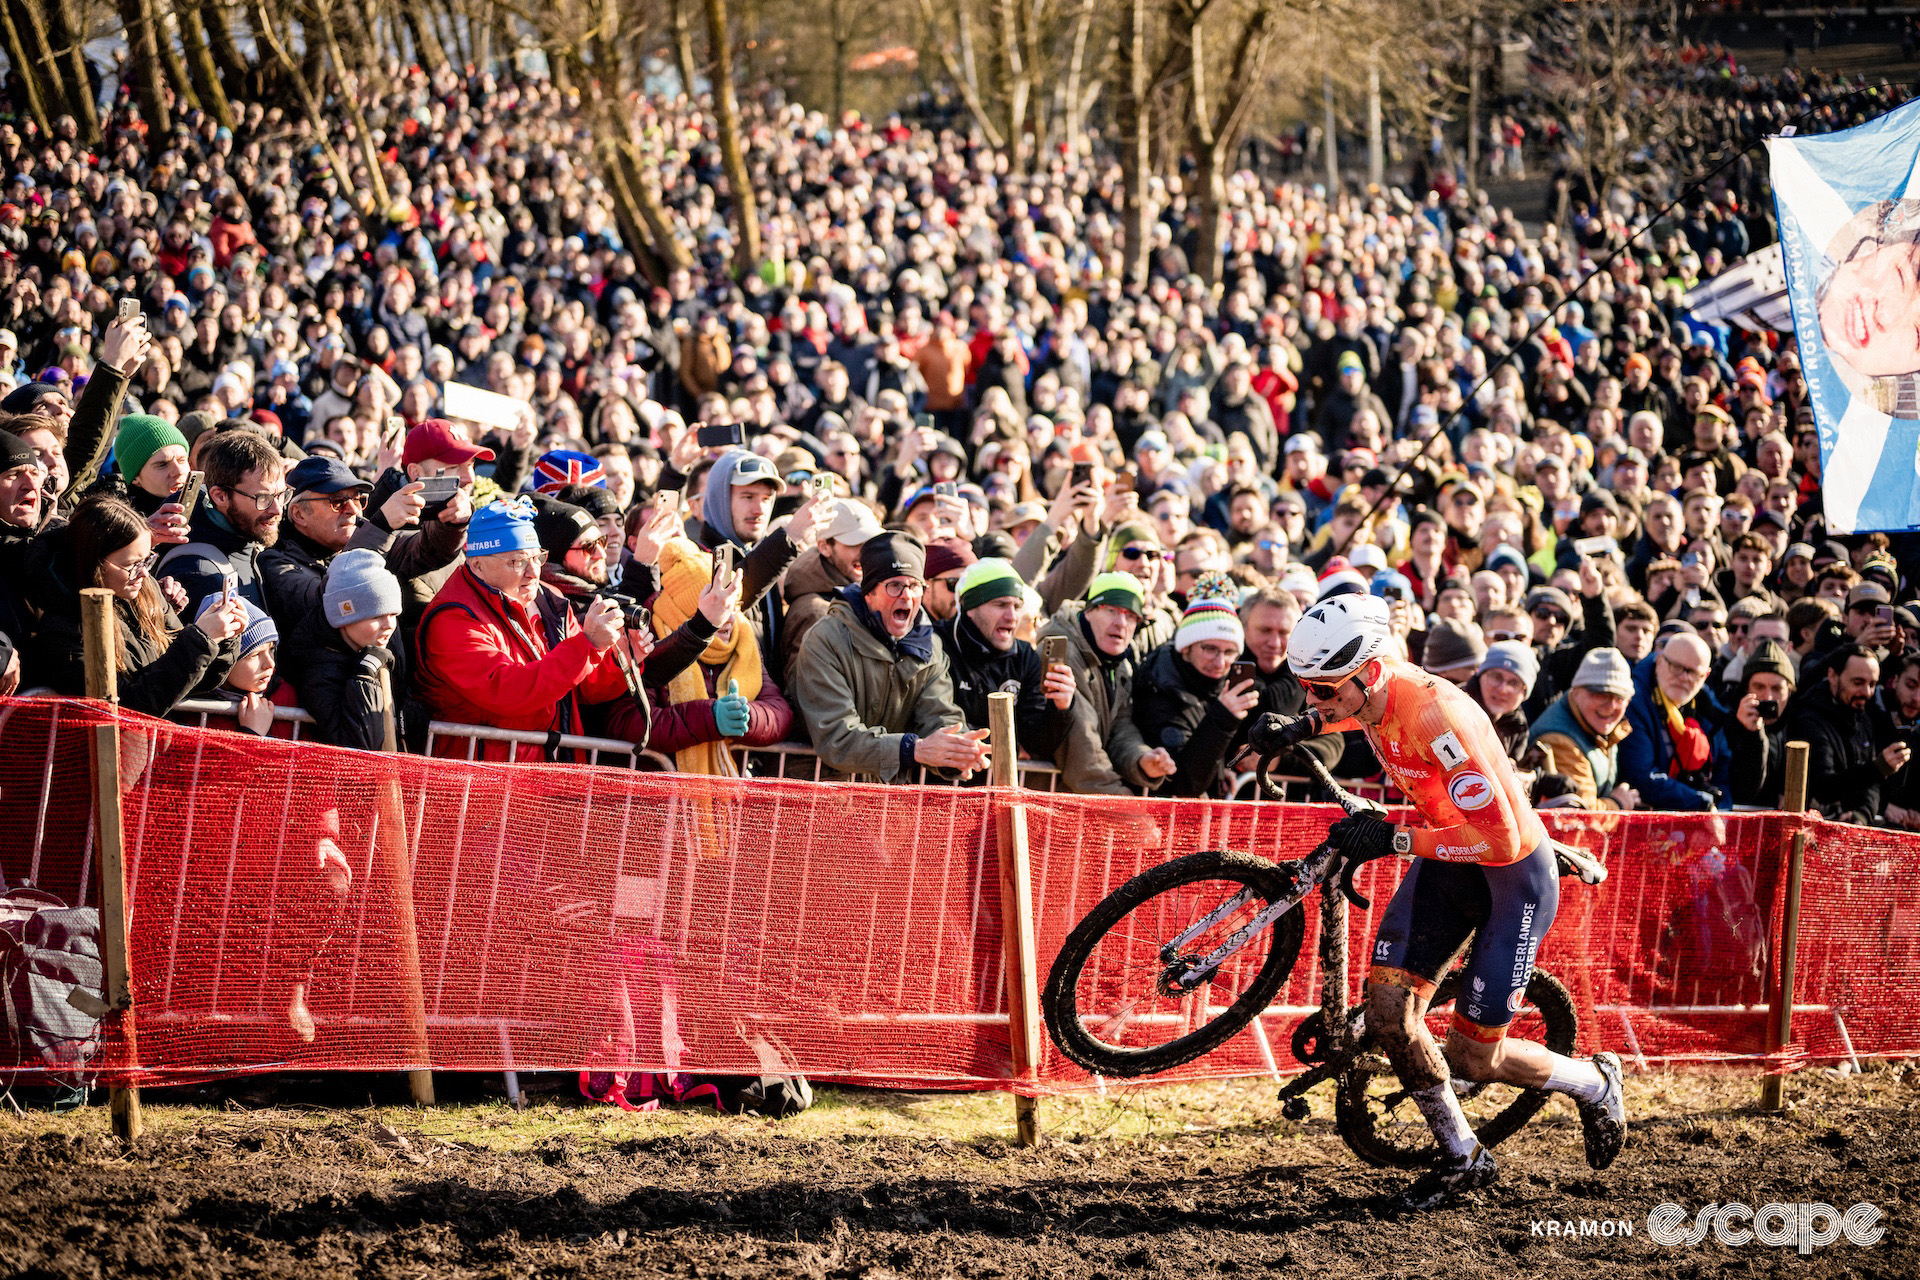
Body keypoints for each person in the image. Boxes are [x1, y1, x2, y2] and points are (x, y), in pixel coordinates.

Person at [1245, 592, 1626, 1208]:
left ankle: (1592, 1081)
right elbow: (1355, 712)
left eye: (1321, 689)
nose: (1313, 696)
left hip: (1510, 878)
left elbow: (1497, 839)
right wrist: (1303, 724)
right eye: (1304, 686)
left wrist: (1392, 837)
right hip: (1448, 858)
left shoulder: (1435, 717)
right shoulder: (1371, 688)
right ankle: (1462, 1156)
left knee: (1476, 1058)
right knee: (1393, 1015)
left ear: (1366, 670)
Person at [413, 498, 635, 761]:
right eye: (517, 562)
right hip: (483, 786)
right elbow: (509, 692)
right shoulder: (453, 619)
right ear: (477, 565)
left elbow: (588, 687)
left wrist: (627, 653)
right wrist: (587, 645)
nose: (533, 572)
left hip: (550, 774)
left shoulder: (549, 600)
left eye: (537, 558)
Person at [789, 531, 990, 782]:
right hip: (816, 795)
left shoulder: (928, 646)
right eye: (895, 585)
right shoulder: (826, 639)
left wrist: (956, 750)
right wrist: (912, 749)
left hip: (885, 803)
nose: (906, 596)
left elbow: (939, 715)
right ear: (869, 593)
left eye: (914, 585)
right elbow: (837, 738)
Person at [26, 495, 246, 715]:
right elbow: (127, 710)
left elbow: (193, 682)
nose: (143, 573)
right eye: (131, 564)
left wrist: (220, 637)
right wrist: (201, 640)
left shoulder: (145, 591)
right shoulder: (63, 633)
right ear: (94, 563)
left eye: (147, 560)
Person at [644, 538, 795, 774]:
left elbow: (780, 713)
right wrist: (710, 717)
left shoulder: (743, 637)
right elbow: (631, 722)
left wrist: (747, 717)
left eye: (733, 607)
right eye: (716, 607)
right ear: (685, 609)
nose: (729, 620)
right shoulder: (650, 636)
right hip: (660, 795)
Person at [1038, 572, 1175, 795]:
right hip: (1047, 802)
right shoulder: (1064, 654)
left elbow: (1120, 727)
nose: (1121, 623)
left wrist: (1141, 759)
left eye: (1131, 616)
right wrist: (1123, 806)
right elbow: (1081, 745)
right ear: (1089, 611)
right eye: (1112, 611)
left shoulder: (1118, 661)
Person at [933, 557, 1073, 758]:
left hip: (998, 788)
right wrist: (1010, 748)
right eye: (1001, 605)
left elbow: (1037, 744)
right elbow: (941, 722)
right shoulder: (939, 644)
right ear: (971, 608)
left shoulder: (1025, 657)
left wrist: (1060, 708)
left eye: (1017, 607)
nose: (1012, 616)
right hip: (941, 785)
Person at [1130, 586, 1261, 797]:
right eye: (1209, 649)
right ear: (1186, 647)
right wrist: (1223, 718)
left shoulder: (1210, 684)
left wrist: (1218, 771)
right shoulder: (1160, 689)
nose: (1220, 662)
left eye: (1229, 652)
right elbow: (1184, 783)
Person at [287, 549, 412, 751]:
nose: (389, 624)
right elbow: (357, 747)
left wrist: (408, 715)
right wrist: (365, 676)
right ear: (344, 615)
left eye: (393, 614)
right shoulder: (317, 665)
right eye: (376, 616)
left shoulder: (386, 639)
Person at [156, 427, 289, 618]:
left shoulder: (246, 535)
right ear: (220, 496)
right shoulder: (197, 573)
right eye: (263, 498)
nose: (277, 509)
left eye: (282, 495)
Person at [1783, 643, 1906, 823]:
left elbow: (1871, 787)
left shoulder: (1864, 718)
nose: (1866, 692)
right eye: (1858, 683)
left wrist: (1862, 816)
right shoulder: (1809, 720)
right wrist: (1877, 768)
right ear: (1833, 676)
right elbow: (1823, 787)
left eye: (1872, 684)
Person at [1618, 632, 1729, 811]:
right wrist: (1701, 803)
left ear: (1705, 676)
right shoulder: (1634, 702)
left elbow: (1724, 772)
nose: (1683, 678)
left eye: (1693, 672)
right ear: (1660, 661)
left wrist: (1722, 809)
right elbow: (1641, 775)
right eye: (1676, 667)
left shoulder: (1711, 711)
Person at [780, 498, 883, 687]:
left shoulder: (858, 593)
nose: (864, 553)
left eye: (869, 543)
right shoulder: (816, 611)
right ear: (825, 546)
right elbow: (808, 693)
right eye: (853, 544)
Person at [1527, 648, 1640, 810]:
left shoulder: (1600, 724)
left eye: (1620, 698)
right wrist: (1619, 803)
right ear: (1576, 692)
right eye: (1600, 694)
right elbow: (1583, 816)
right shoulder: (1558, 739)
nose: (1611, 706)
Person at [1720, 638, 1795, 808]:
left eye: (1777, 689)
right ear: (1747, 689)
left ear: (1789, 692)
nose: (1768, 697)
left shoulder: (1799, 724)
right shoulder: (1728, 725)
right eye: (1759, 687)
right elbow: (1746, 790)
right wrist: (1752, 734)